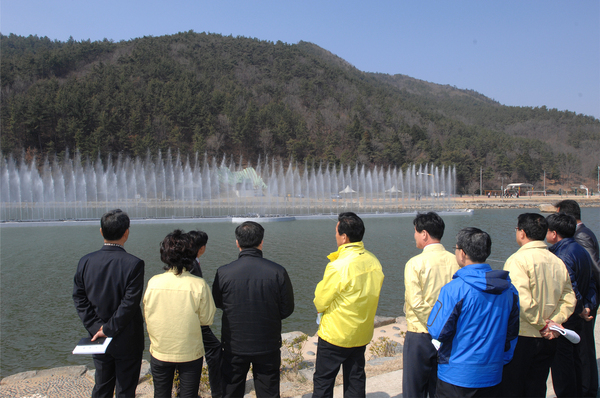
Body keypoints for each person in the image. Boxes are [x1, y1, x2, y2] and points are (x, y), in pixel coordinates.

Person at [427, 227, 520, 397]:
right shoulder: (509, 290)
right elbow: (512, 333)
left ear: (462, 253)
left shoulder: (454, 290)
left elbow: (437, 331)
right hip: (493, 373)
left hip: (456, 375)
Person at [212, 221, 294, 398]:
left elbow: (219, 303)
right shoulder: (277, 271)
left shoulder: (223, 272)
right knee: (268, 391)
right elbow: (287, 308)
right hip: (267, 343)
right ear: (261, 242)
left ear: (237, 242)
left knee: (231, 390)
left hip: (234, 344)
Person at [500, 213, 576, 397]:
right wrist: (554, 323)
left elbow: (521, 301)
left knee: (513, 387)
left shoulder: (517, 260)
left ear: (522, 233)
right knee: (537, 385)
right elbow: (569, 298)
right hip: (550, 336)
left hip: (523, 335)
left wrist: (542, 324)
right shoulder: (557, 261)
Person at [73, 209, 145, 397]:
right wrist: (109, 328)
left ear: (101, 231)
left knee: (102, 386)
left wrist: (97, 327)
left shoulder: (85, 261)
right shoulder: (134, 264)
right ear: (126, 233)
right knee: (125, 390)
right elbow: (129, 303)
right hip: (127, 338)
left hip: (97, 338)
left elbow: (79, 298)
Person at [312, 212, 385, 398]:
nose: (335, 235)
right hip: (361, 333)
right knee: (355, 379)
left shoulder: (339, 266)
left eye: (336, 232)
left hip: (336, 335)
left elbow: (320, 300)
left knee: (323, 382)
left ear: (344, 237)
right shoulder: (373, 261)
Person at [143, 230, 216, 398]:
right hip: (190, 352)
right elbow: (207, 320)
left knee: (161, 393)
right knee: (188, 394)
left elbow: (148, 314)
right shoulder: (199, 285)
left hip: (160, 350)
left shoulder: (153, 282)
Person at [403, 212, 459, 398]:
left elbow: (417, 303)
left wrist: (436, 325)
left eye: (415, 232)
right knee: (441, 388)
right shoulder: (456, 261)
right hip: (450, 334)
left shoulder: (415, 263)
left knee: (414, 389)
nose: (414, 236)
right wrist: (445, 326)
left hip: (420, 334)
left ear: (424, 234)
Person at [546, 213, 596, 397]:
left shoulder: (561, 255)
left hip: (567, 318)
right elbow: (591, 282)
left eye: (548, 230)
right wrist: (589, 305)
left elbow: (571, 287)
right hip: (578, 316)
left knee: (562, 366)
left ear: (554, 233)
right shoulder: (580, 249)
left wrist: (582, 308)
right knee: (577, 361)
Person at [188, 230, 223, 398]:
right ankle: (218, 391)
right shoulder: (191, 266)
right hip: (195, 321)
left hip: (193, 319)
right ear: (201, 248)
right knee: (215, 350)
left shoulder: (189, 262)